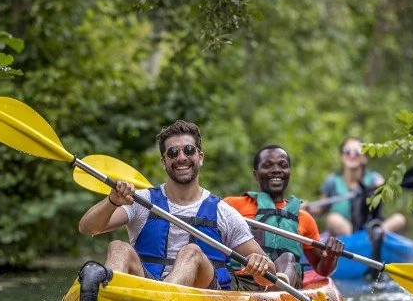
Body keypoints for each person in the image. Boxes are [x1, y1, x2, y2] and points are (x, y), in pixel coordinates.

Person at [78, 120, 277, 291]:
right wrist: (112, 201)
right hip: (146, 288)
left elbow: (266, 277)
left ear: (200, 157)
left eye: (188, 150)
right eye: (173, 153)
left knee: (192, 252)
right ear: (164, 162)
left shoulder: (223, 212)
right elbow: (87, 228)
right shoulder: (141, 200)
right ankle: (109, 298)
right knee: (118, 247)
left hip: (202, 297)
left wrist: (261, 265)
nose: (181, 157)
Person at [223, 145, 344, 291]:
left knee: (288, 258)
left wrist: (331, 256)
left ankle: (277, 289)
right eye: (267, 165)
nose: (276, 169)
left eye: (283, 165)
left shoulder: (304, 217)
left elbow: (322, 270)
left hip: (287, 287)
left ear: (289, 172)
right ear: (255, 174)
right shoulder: (232, 205)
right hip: (243, 281)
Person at [315, 137, 406, 237]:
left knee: (399, 219)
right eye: (347, 151)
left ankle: (373, 237)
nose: (352, 155)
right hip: (346, 231)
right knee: (333, 219)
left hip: (371, 227)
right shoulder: (332, 181)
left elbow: (387, 197)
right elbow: (320, 209)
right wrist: (306, 208)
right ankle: (355, 244)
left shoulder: (374, 179)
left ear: (364, 157)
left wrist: (381, 188)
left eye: (357, 152)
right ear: (342, 156)